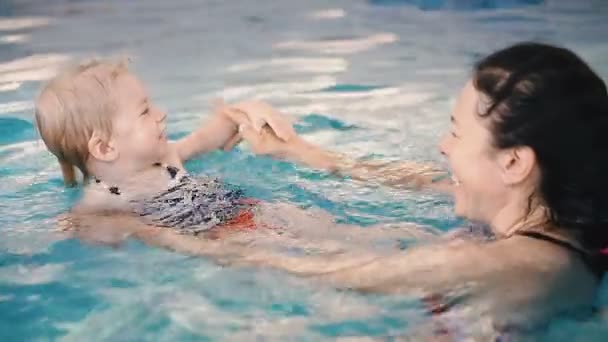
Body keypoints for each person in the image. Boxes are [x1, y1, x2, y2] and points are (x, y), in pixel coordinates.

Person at [220, 42, 608, 336]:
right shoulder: (554, 219)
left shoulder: (500, 263)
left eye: (456, 132)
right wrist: (297, 151)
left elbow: (327, 273)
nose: (444, 145)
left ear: (513, 163)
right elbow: (414, 180)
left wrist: (172, 239)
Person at [35, 60, 440, 258]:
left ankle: (424, 256)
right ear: (104, 147)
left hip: (253, 212)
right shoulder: (102, 205)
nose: (161, 114)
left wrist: (244, 112)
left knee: (349, 234)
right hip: (226, 241)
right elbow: (93, 236)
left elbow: (217, 129)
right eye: (144, 111)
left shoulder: (168, 158)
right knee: (329, 257)